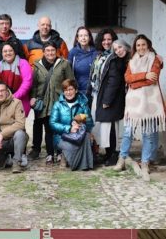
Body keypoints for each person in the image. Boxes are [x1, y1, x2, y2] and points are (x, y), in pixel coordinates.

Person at [114, 34, 165, 181]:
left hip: (150, 103)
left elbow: (152, 79)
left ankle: (145, 163)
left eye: (143, 45)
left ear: (148, 45)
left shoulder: (155, 59)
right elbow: (127, 78)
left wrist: (134, 82)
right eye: (138, 45)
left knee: (149, 133)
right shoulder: (132, 61)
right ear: (135, 47)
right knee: (128, 131)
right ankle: (122, 159)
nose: (141, 47)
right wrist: (144, 75)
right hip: (133, 104)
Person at [29, 41, 74, 164]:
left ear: (57, 51)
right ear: (43, 52)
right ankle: (50, 154)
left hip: (59, 102)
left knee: (58, 129)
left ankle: (59, 152)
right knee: (48, 129)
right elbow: (34, 85)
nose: (50, 53)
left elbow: (70, 82)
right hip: (43, 103)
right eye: (47, 51)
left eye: (52, 50)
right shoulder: (37, 65)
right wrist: (33, 97)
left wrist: (69, 97)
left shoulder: (64, 64)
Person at [92, 38, 129, 166]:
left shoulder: (115, 61)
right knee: (108, 126)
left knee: (111, 128)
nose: (118, 50)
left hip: (112, 98)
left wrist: (107, 100)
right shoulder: (113, 59)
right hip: (110, 96)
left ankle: (113, 155)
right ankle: (109, 154)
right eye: (116, 49)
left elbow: (113, 82)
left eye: (120, 47)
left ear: (126, 47)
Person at [49, 79, 94, 170]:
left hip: (79, 134)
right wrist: (69, 128)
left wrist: (81, 123)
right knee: (71, 145)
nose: (68, 92)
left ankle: (84, 164)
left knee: (86, 137)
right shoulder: (58, 105)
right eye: (66, 90)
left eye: (70, 89)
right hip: (62, 136)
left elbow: (90, 122)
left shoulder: (83, 103)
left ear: (76, 90)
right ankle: (66, 156)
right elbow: (52, 123)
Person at [0, 43, 33, 117]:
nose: (8, 53)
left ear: (14, 52)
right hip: (2, 103)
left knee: (18, 128)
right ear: (2, 53)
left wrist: (13, 97)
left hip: (20, 103)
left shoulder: (23, 63)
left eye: (10, 51)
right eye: (5, 51)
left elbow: (27, 83)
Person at [67, 26, 97, 95]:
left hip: (94, 91)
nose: (83, 38)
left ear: (89, 38)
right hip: (79, 91)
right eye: (81, 36)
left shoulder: (96, 52)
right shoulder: (73, 53)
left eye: (86, 35)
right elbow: (68, 72)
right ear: (77, 38)